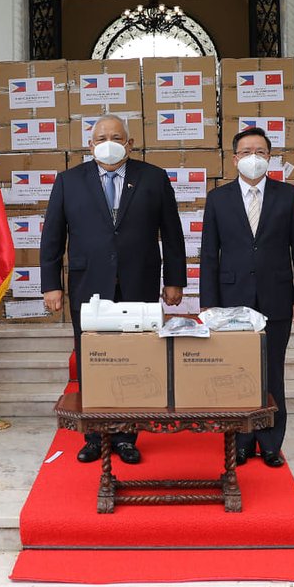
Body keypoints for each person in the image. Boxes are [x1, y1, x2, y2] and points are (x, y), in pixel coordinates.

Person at [40, 114, 186, 465]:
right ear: (89, 145)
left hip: (139, 282)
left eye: (116, 136)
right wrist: (50, 286)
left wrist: (175, 280)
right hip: (89, 284)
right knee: (93, 360)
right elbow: (52, 238)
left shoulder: (153, 178)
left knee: (135, 360)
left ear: (130, 143)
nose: (109, 141)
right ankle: (95, 435)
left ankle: (126, 436)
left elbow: (172, 232)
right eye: (101, 137)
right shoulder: (68, 181)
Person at [200, 127, 294, 468]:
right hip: (232, 300)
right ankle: (242, 441)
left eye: (260, 152)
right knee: (237, 372)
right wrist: (208, 303)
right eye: (246, 152)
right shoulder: (218, 198)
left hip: (277, 297)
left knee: (272, 372)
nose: (253, 158)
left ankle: (270, 442)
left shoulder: (287, 196)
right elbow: (209, 254)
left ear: (269, 157)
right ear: (234, 159)